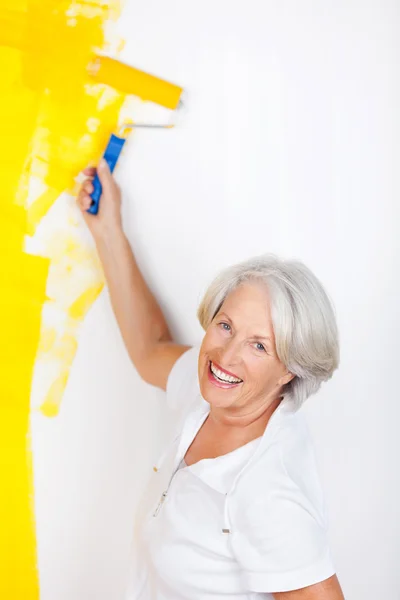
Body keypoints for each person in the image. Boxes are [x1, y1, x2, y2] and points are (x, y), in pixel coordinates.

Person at [77, 160, 345, 600]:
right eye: (225, 325)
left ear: (291, 368)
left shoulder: (268, 492)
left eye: (259, 346)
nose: (225, 355)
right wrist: (108, 229)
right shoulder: (216, 400)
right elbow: (151, 348)